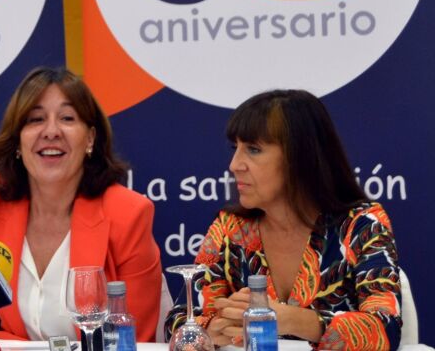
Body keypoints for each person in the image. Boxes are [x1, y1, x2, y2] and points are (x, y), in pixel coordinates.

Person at [165, 90, 401, 350]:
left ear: (300, 157)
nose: (234, 164)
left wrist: (289, 319)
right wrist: (212, 329)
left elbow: (385, 327)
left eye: (253, 150)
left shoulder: (362, 225)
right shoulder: (229, 227)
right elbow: (178, 319)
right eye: (236, 148)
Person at [0, 67, 163, 342]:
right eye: (35, 119)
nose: (51, 131)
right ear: (17, 140)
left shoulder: (129, 213)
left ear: (90, 138)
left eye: (67, 118)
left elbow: (128, 339)